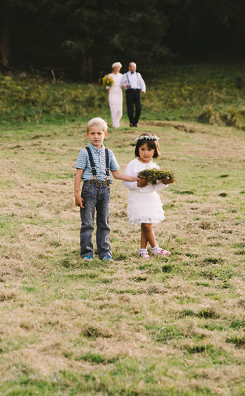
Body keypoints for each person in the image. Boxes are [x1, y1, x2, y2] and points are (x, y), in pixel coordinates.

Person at [74, 117, 139, 261]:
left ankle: (105, 253)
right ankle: (87, 253)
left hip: (105, 190)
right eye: (92, 134)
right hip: (89, 190)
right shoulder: (84, 153)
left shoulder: (109, 153)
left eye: (99, 133)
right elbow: (78, 174)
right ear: (87, 135)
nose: (96, 136)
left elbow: (116, 174)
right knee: (87, 223)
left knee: (104, 222)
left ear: (105, 134)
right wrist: (77, 194)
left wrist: (135, 179)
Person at [123, 133, 174, 258]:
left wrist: (165, 183)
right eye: (142, 149)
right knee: (145, 224)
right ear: (137, 149)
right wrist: (138, 185)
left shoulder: (154, 166)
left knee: (146, 223)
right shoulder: (133, 164)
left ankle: (142, 249)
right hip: (138, 198)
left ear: (155, 151)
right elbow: (126, 182)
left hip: (150, 198)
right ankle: (155, 247)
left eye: (149, 150)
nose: (146, 153)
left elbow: (156, 186)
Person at [121, 62, 146, 127]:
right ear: (129, 68)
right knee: (130, 108)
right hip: (129, 92)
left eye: (135, 67)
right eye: (133, 67)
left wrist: (143, 89)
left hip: (137, 91)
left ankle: (136, 121)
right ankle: (132, 123)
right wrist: (126, 85)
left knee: (139, 107)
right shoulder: (125, 75)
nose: (134, 69)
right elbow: (121, 84)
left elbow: (142, 82)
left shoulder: (138, 74)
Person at [106, 62, 124, 128]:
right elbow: (107, 85)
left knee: (119, 110)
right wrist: (108, 88)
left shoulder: (121, 76)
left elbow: (123, 84)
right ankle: (115, 124)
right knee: (114, 109)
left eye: (118, 68)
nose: (117, 69)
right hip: (112, 93)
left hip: (119, 93)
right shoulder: (110, 76)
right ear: (113, 68)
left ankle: (117, 121)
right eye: (116, 68)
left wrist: (124, 85)